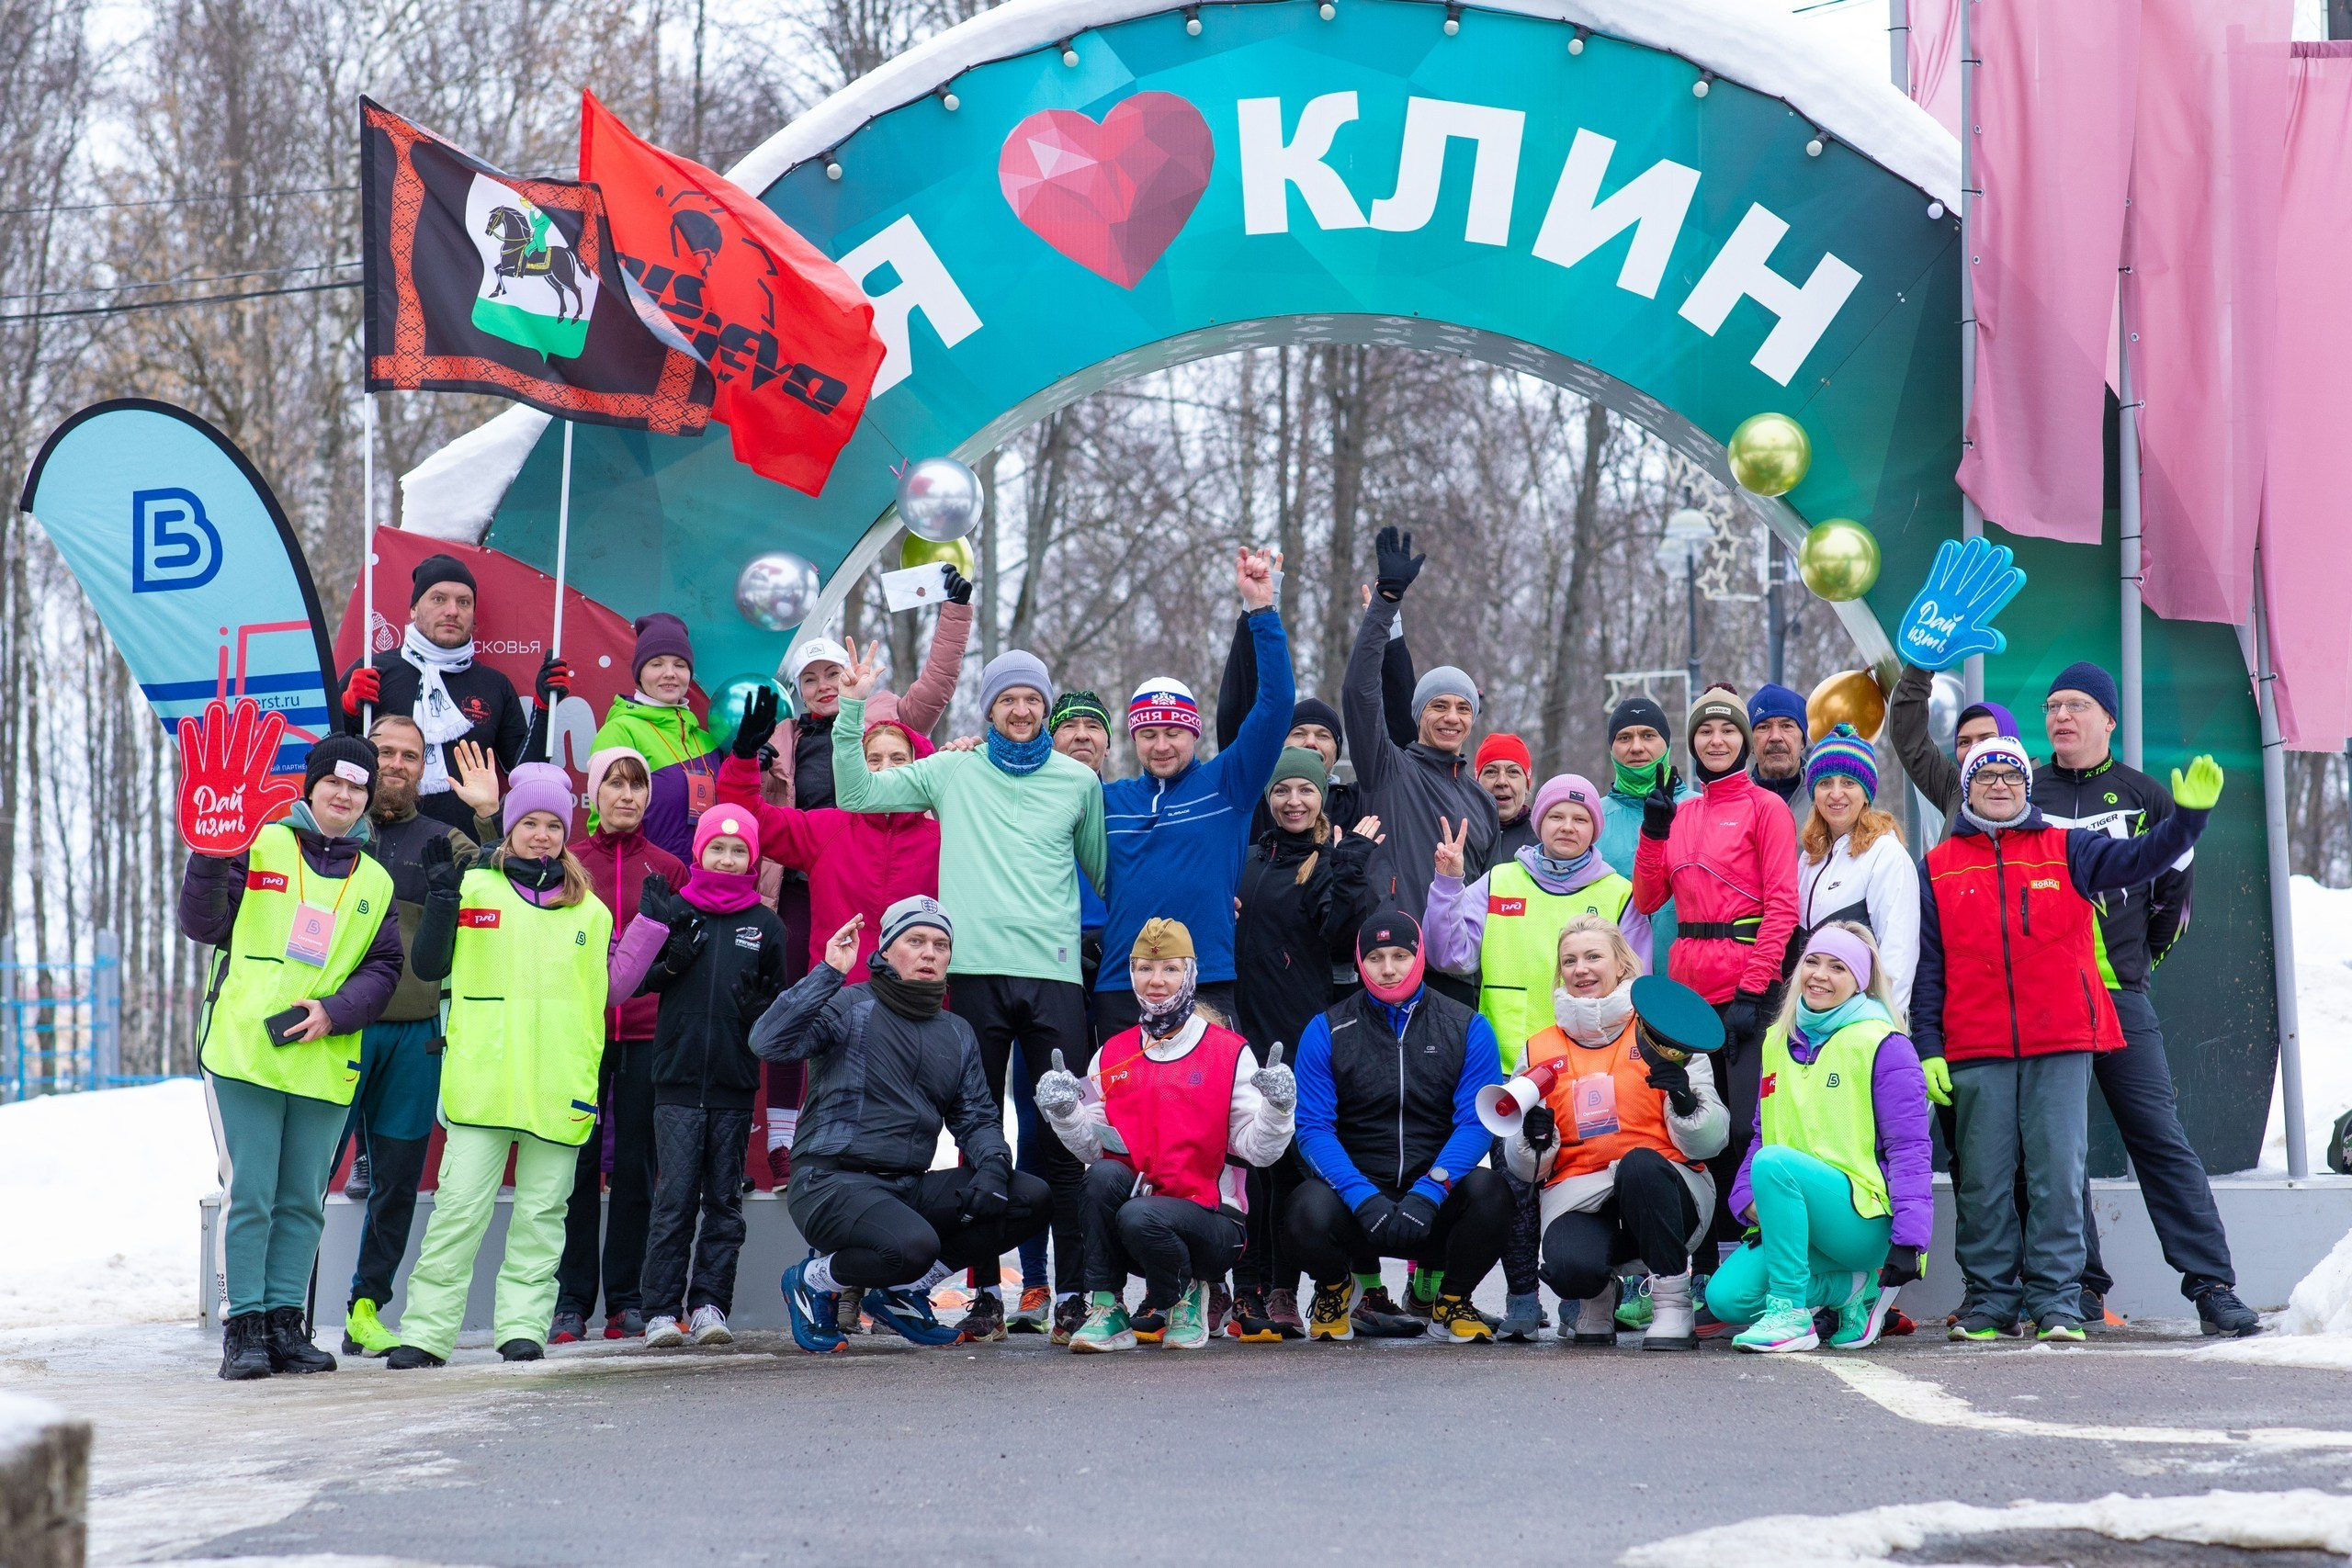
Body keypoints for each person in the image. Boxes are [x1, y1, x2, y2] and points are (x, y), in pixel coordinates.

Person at [830, 644, 1108, 1343]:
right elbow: (857, 794)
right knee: (976, 1137)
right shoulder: (953, 769)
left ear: (1046, 707)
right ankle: (986, 1292)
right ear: (987, 708)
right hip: (975, 977)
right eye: (1007, 699)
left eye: (1032, 699)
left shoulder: (1079, 781)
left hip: (1053, 979)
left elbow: (1106, 876)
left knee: (1064, 1140)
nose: (1020, 710)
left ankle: (1072, 1291)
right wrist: (853, 708)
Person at [1912, 738, 2221, 1342]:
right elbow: (1929, 969)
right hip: (1975, 1046)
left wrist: (2188, 819)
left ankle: (2056, 1300)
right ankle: (1990, 1301)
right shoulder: (1939, 865)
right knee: (1984, 1178)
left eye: (2010, 774)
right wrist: (1928, 1044)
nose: (1998, 784)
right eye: (1985, 774)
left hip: (2059, 1041)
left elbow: (2141, 858)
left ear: (2026, 787)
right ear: (1968, 786)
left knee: (2057, 1171)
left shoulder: (2069, 849)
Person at [2029, 661, 2256, 1336]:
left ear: (2108, 720)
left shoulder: (2147, 796)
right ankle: (2081, 1288)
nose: (2062, 717)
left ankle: (2213, 1284)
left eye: (2076, 705)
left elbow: (2173, 900)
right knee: (2054, 1146)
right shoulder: (2022, 792)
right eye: (2052, 706)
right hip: (2042, 1002)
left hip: (2117, 996)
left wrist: (2134, 964)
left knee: (2158, 1138)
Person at [388, 763, 626, 1368]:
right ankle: (425, 1332)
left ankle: (523, 1325)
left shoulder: (591, 913)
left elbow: (607, 996)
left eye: (552, 824)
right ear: (512, 827)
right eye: (530, 823)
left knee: (542, 1219)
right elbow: (429, 963)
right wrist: (442, 896)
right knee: (458, 1213)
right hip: (483, 1081)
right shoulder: (475, 888)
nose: (541, 834)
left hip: (557, 1087)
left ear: (566, 833)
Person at [182, 735, 402, 1379]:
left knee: (304, 1197)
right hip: (246, 1050)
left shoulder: (376, 880)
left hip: (323, 1056)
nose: (343, 794)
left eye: (357, 787)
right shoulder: (262, 841)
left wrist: (336, 1010)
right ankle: (242, 1325)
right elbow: (205, 923)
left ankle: (284, 1324)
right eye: (333, 781)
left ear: (368, 797)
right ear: (311, 787)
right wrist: (209, 852)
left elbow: (384, 965)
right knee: (251, 1191)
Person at [755, 897, 1053, 1354]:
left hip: (903, 1187)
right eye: (915, 941)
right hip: (829, 1182)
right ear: (887, 950)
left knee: (1028, 1196)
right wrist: (828, 973)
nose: (929, 953)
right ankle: (811, 1280)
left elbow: (976, 1116)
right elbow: (767, 1041)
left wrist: (994, 1164)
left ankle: (901, 1293)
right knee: (912, 1245)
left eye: (940, 944)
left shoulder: (956, 1031)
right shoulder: (847, 1005)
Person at [752, 577, 971, 1186]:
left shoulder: (890, 731)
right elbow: (764, 814)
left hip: (896, 935)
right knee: (807, 1013)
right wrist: (752, 765)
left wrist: (954, 609)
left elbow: (937, 683)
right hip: (809, 889)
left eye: (833, 675)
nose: (825, 687)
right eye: (812, 680)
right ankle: (788, 1142)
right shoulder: (790, 740)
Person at [1425, 773, 1651, 1339]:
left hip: (1595, 1065)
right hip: (1512, 1068)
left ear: (1594, 828)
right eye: (1556, 817)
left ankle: (1584, 1296)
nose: (1567, 827)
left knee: (1584, 1181)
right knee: (1515, 1190)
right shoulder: (1501, 878)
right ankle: (1524, 1299)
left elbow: (1635, 976)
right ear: (1538, 822)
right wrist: (1447, 885)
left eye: (1579, 818)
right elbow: (1451, 953)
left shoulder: (1618, 891)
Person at [1033, 919, 1298, 1351]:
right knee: (1100, 1178)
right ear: (1131, 973)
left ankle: (1188, 1295)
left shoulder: (1229, 1051)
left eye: (1170, 969)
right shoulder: (1114, 1053)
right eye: (1144, 969)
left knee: (1141, 1216)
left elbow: (1260, 1152)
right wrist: (1065, 1112)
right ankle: (1107, 1306)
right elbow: (1094, 1149)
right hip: (1139, 1220)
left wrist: (1278, 1109)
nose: (1156, 982)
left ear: (1190, 973)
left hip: (1213, 1225)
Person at [339, 717, 492, 1359]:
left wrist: (488, 818)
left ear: (423, 767)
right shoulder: (330, 830)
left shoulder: (445, 838)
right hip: (335, 1030)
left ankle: (365, 1308)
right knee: (306, 1174)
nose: (396, 763)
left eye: (410, 754)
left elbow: (503, 884)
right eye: (385, 752)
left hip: (412, 1037)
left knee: (399, 1181)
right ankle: (280, 1312)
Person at [1287, 908, 1512, 1343]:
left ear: (1420, 956)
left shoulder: (1467, 1026)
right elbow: (1313, 1128)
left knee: (1493, 1193)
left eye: (1399, 956)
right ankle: (1337, 1288)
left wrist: (1431, 1191)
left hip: (1432, 1202)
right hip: (1357, 1206)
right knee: (1302, 1208)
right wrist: (1360, 1195)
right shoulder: (1327, 1029)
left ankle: (1451, 1299)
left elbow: (1476, 1121)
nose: (1388, 969)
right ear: (1359, 961)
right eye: (1375, 958)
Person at [1096, 547, 1292, 1044]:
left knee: (1204, 1118)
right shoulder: (1107, 800)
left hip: (1205, 982)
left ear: (1195, 735)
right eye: (1148, 734)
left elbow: (1275, 706)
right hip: (1122, 984)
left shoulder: (1229, 785)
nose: (1161, 745)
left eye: (1174, 732)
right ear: (1133, 738)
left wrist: (1262, 612)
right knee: (1122, 1120)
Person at [1707, 922, 1931, 1352]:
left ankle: (1791, 1314)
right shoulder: (1776, 1040)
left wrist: (1910, 1240)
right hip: (1798, 1216)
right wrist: (1744, 1198)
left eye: (1838, 967)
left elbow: (1910, 1150)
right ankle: (1854, 1291)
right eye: (1812, 961)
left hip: (1865, 1222)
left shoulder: (1883, 1043)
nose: (1820, 975)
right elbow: (1761, 1130)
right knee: (1727, 1299)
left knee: (1773, 1163)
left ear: (1859, 981)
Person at [1503, 921, 1726, 1350]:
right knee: (1570, 1266)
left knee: (1639, 1164)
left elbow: (1710, 1143)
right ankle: (1598, 1296)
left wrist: (1684, 1100)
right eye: (1570, 960)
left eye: (1593, 957)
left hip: (1667, 1190)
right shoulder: (1539, 1048)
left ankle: (1673, 1304)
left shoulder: (1662, 1034)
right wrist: (1533, 1139)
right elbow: (1524, 1167)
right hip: (1579, 1192)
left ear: (1623, 965)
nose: (1580, 969)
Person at [1632, 683, 1799, 1249]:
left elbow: (1782, 904)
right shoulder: (1681, 811)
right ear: (1692, 742)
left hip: (1747, 992)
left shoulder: (1766, 806)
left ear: (1745, 740)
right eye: (1706, 730)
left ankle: (1758, 1260)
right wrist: (1653, 834)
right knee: (1695, 1130)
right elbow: (1650, 898)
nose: (1718, 739)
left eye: (1729, 729)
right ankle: (1707, 1267)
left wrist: (1754, 993)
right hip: (1688, 995)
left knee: (1746, 1131)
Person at [1227, 750, 1381, 1339]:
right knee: (1244, 1166)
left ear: (1322, 798)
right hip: (1240, 1030)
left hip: (1299, 1034)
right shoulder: (1243, 860)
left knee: (1291, 1167)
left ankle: (1288, 1291)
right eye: (1282, 789)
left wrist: (1350, 870)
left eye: (1306, 791)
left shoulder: (1325, 864)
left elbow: (1344, 940)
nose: (1293, 800)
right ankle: (1245, 1289)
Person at [632, 807, 790, 1348]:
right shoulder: (675, 910)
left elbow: (780, 1007)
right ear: (699, 852)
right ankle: (658, 1311)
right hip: (676, 1082)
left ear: (751, 859)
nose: (727, 859)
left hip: (733, 1084)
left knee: (723, 1201)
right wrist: (671, 959)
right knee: (673, 1198)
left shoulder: (767, 925)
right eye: (717, 849)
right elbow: (637, 980)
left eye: (738, 851)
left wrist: (757, 1010)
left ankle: (708, 1305)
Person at [551, 749, 685, 1343]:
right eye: (615, 782)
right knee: (574, 1165)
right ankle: (570, 1300)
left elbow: (682, 952)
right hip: (580, 1032)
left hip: (648, 1032)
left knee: (636, 1166)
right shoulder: (569, 861)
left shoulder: (669, 868)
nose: (626, 795)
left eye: (637, 785)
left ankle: (626, 1298)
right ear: (593, 793)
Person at [1342, 527, 1499, 990]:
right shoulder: (1388, 768)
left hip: (1456, 981)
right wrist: (1385, 603)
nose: (1451, 718)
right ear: (1418, 713)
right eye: (1439, 705)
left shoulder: (1482, 801)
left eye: (1463, 708)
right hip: (1389, 965)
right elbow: (1359, 691)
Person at [337, 553, 560, 831]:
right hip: (377, 845)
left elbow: (527, 778)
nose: (452, 611)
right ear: (414, 609)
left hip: (468, 849)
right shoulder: (372, 670)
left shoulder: (494, 684)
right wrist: (345, 709)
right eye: (439, 599)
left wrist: (543, 707)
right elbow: (326, 761)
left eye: (463, 602)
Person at [1217, 584, 1419, 840]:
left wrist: (1387, 627)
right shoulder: (1258, 799)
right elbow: (1234, 717)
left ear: (1337, 751)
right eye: (1299, 733)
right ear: (1281, 745)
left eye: (1323, 736)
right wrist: (1257, 609)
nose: (1310, 743)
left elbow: (1405, 741)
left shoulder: (1359, 804)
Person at [1792, 727, 1919, 1017]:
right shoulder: (1810, 857)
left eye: (1848, 782)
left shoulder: (1884, 853)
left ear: (1866, 792)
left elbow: (1898, 951)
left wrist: (1883, 1023)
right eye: (1825, 783)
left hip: (1862, 1020)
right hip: (1815, 1017)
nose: (1836, 794)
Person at [586, 613, 721, 862]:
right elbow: (602, 825)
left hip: (702, 888)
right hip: (646, 886)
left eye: (679, 665)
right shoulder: (621, 732)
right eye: (656, 664)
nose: (670, 673)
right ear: (639, 673)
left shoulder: (708, 740)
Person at [1599, 695, 1698, 956]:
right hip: (1612, 978)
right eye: (1624, 738)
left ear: (1666, 744)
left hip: (1686, 974)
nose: (1637, 747)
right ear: (1611, 748)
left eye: (1648, 735)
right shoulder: (1591, 817)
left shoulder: (1700, 809)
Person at [1886, 666, 2018, 835]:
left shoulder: (2042, 793)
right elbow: (1909, 737)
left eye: (1986, 739)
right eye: (1964, 742)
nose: (1974, 749)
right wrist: (1919, 668)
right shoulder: (1955, 789)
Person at [1747, 682, 1810, 820]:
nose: (1775, 737)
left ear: (1802, 740)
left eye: (1786, 726)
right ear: (1750, 743)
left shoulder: (1826, 800)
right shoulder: (1735, 803)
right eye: (1763, 727)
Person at [1477, 733, 1538, 858]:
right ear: (1477, 783)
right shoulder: (1459, 833)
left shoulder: (1543, 843)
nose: (1502, 782)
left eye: (1513, 772)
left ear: (1527, 785)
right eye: (1491, 772)